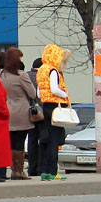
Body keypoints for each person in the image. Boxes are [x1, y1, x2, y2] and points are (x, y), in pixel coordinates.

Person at [1, 47, 38, 180]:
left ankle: (12, 170)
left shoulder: (3, 75)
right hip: (22, 112)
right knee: (20, 142)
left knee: (11, 142)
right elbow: (32, 93)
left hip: (9, 111)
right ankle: (19, 171)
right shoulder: (21, 75)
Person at [36, 44, 71, 181]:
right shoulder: (53, 70)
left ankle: (44, 170)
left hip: (46, 105)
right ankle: (53, 171)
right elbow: (55, 89)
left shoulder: (41, 70)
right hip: (56, 106)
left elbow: (39, 92)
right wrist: (65, 94)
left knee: (47, 138)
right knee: (54, 140)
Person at [26, 57, 43, 176]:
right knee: (43, 139)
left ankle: (31, 168)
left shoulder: (26, 76)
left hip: (29, 112)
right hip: (42, 112)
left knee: (31, 140)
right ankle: (40, 167)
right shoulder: (43, 76)